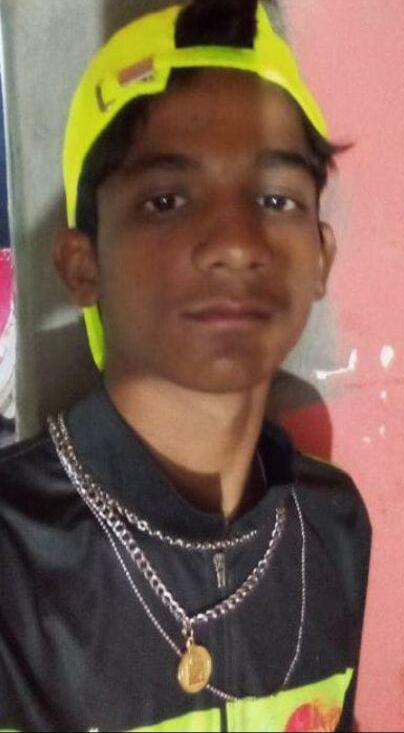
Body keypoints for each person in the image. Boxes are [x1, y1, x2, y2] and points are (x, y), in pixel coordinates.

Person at [0, 1, 371, 731]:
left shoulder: (332, 528)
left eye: (275, 198)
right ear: (82, 265)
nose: (235, 241)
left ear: (320, 259)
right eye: (166, 200)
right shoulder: (13, 555)